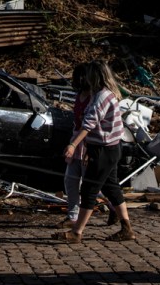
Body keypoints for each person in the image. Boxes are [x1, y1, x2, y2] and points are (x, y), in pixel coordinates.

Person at [54, 60, 135, 244]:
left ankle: (77, 232)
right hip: (111, 148)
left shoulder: (100, 97)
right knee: (111, 187)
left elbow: (88, 125)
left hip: (104, 150)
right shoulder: (109, 94)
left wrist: (73, 145)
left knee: (89, 190)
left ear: (94, 76)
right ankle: (126, 228)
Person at [57, 63, 91, 229]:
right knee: (70, 180)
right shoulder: (79, 96)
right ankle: (72, 215)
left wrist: (83, 146)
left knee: (90, 184)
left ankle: (114, 205)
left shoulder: (94, 98)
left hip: (88, 143)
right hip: (76, 141)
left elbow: (90, 126)